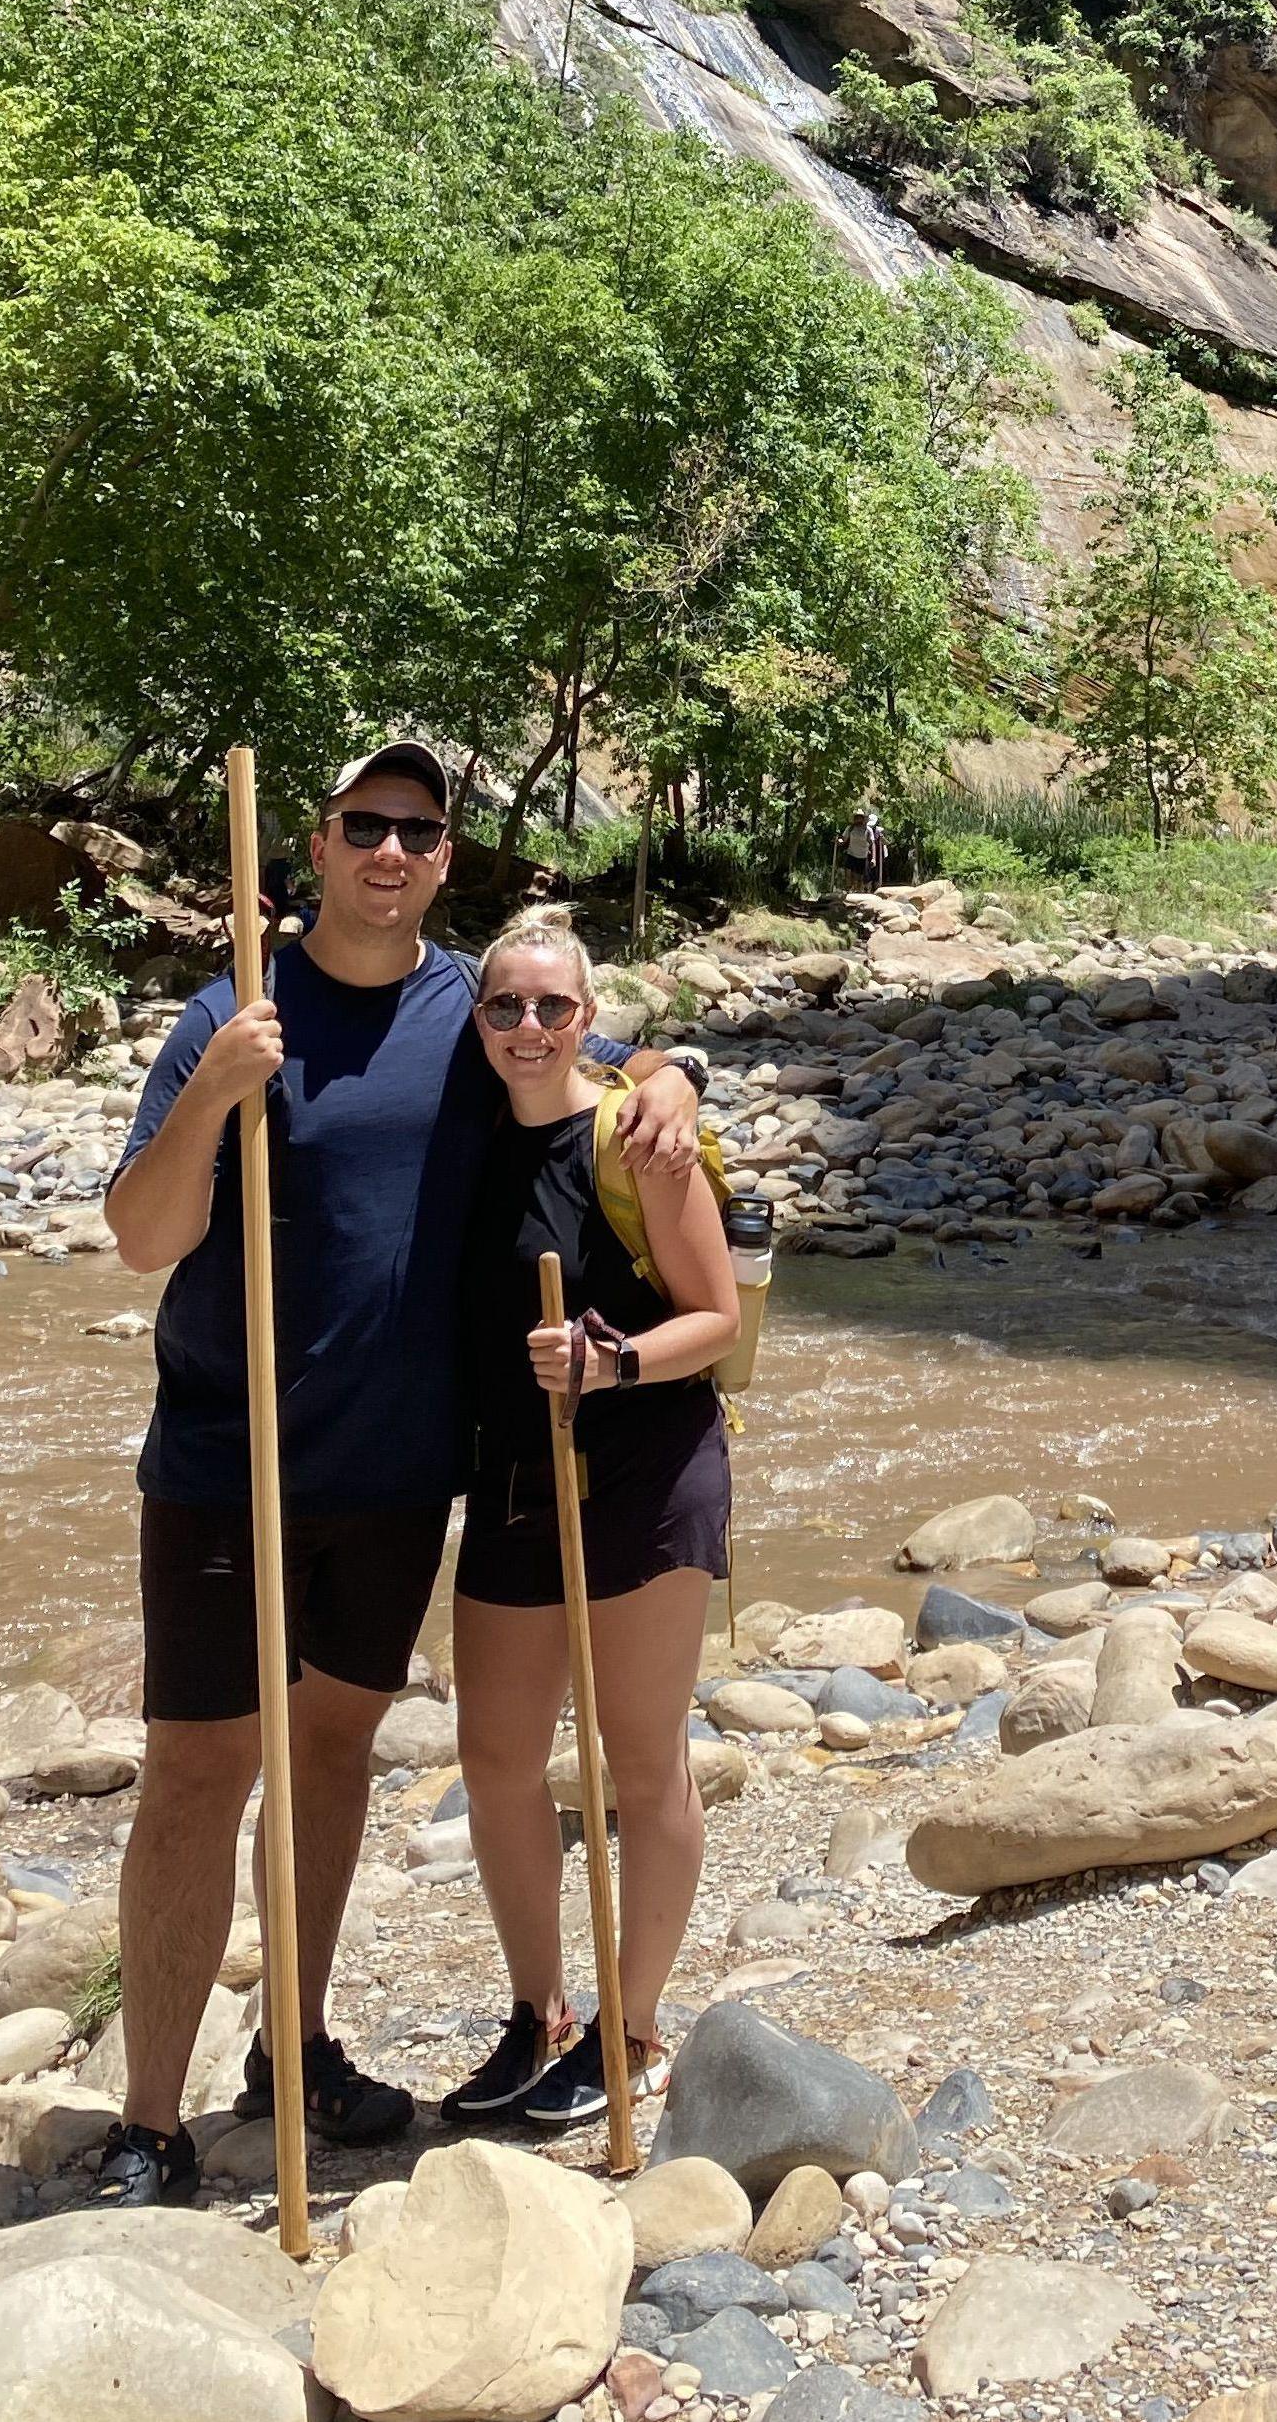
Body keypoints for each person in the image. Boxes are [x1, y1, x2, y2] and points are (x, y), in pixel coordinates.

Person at [89, 740, 705, 2209]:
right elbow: (140, 1233)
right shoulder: (229, 1009)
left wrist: (674, 1069)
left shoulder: (464, 1012)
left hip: (391, 1479)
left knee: (331, 1758)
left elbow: (582, 1067)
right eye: (364, 824)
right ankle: (149, 2120)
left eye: (416, 830)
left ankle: (289, 2047)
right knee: (194, 1772)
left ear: (444, 857)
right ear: (315, 842)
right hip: (224, 1464)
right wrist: (215, 1089)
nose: (389, 849)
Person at [442, 907, 736, 2130]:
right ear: (478, 1018)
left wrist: (610, 1364)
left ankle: (633, 2024)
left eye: (552, 1007)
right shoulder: (458, 1127)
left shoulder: (637, 1144)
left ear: (588, 1018)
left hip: (644, 1467)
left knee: (637, 1755)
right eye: (505, 1005)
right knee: (498, 1762)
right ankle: (539, 2012)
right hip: (513, 1477)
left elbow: (712, 1316)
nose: (526, 1026)